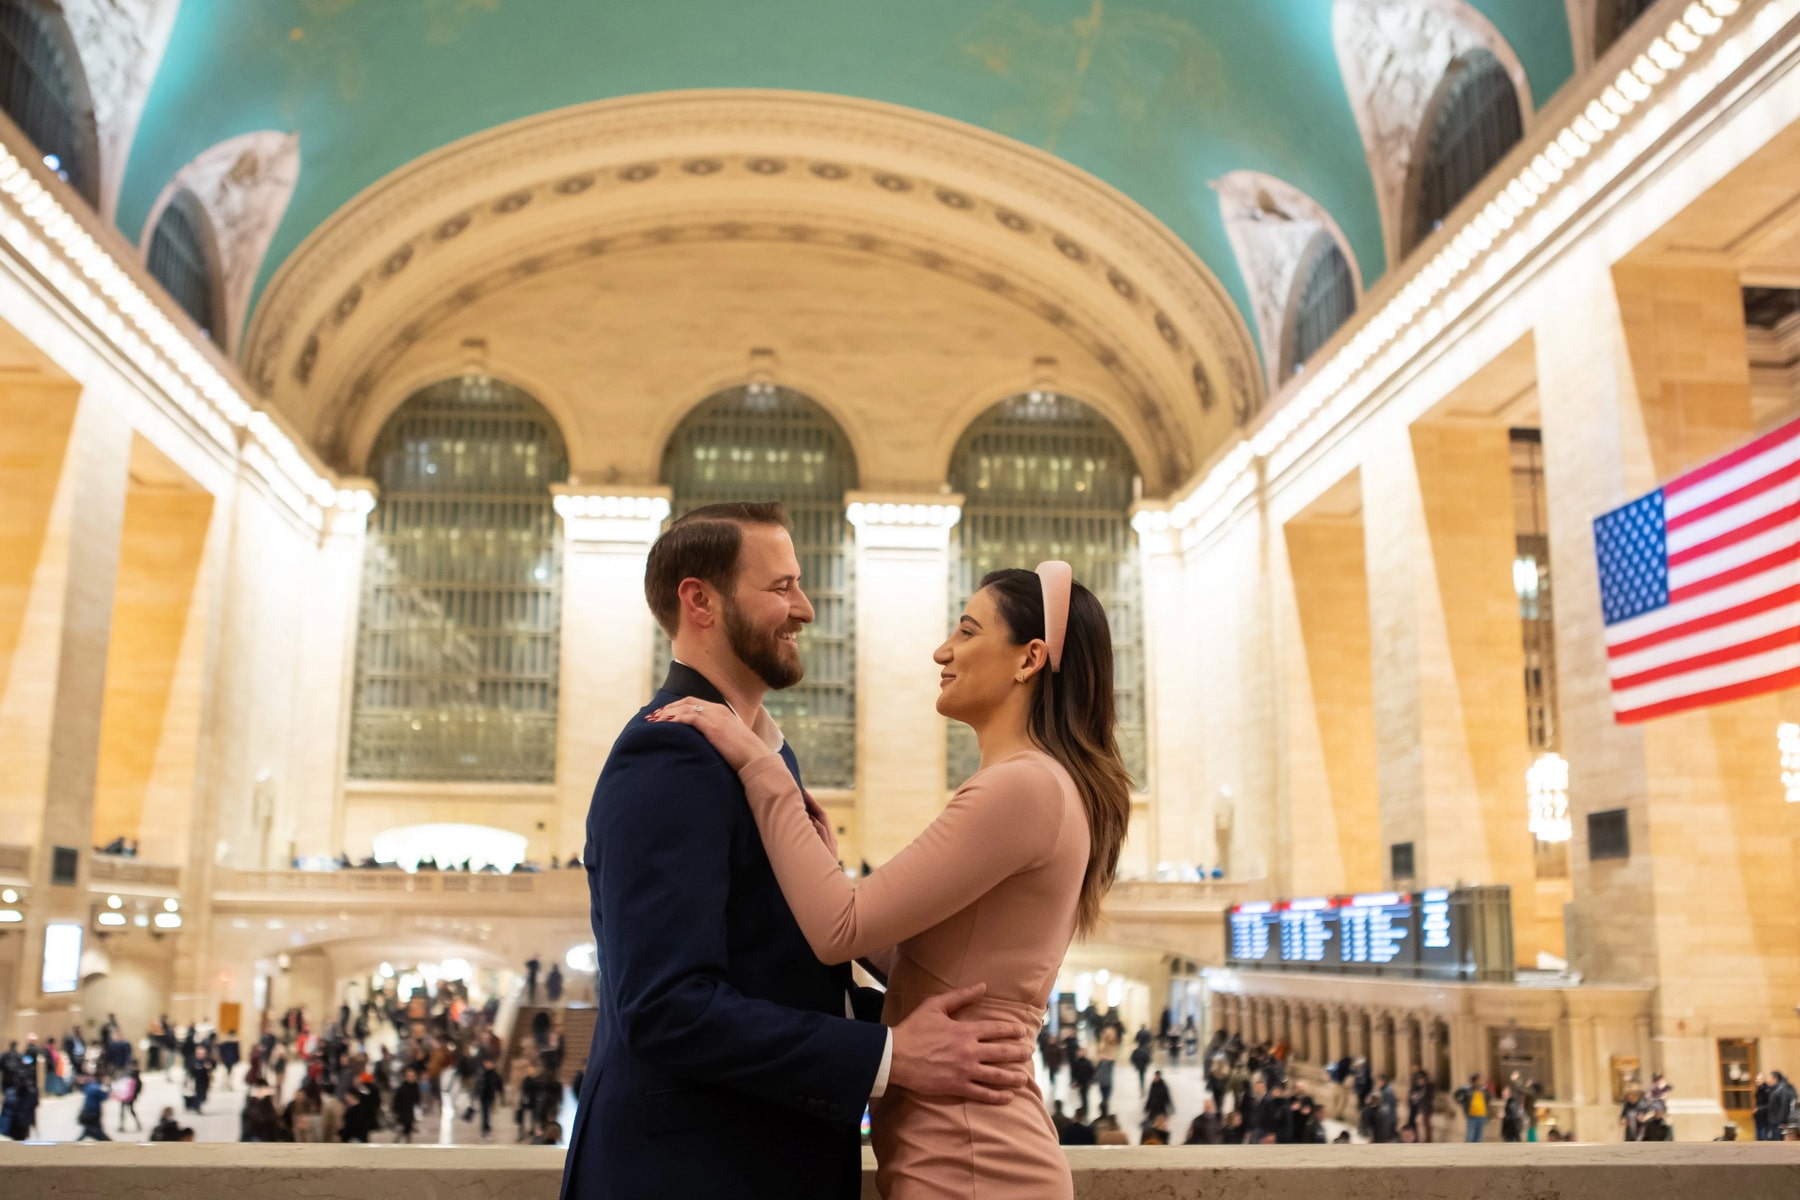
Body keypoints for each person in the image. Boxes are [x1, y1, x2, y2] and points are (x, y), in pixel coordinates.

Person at [572, 509, 1105, 1200]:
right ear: (699, 600)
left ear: (1031, 660)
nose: (806, 607)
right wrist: (888, 1051)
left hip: (873, 1157)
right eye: (783, 586)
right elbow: (663, 1005)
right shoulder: (670, 746)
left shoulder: (759, 751)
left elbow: (808, 950)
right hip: (694, 1172)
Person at [1455, 1073, 1490, 1142]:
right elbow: (1456, 1094)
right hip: (1472, 1116)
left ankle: (1477, 1152)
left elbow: (1489, 1098)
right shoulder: (1466, 1089)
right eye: (1478, 1080)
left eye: (1481, 1080)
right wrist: (1461, 1102)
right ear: (1474, 1081)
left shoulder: (1484, 1090)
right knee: (1470, 1136)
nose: (1480, 1082)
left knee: (1479, 1137)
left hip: (1482, 1115)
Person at [77, 1075, 111, 1140]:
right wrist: (107, 1087)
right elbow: (104, 1097)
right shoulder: (97, 1088)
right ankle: (110, 1144)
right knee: (97, 1132)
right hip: (93, 1113)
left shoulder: (89, 1087)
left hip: (88, 1111)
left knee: (88, 1131)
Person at [392, 1067, 421, 1143]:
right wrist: (396, 1112)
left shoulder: (416, 1087)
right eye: (409, 1076)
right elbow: (396, 1101)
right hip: (402, 1114)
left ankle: (408, 1146)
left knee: (408, 1133)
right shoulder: (401, 1088)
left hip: (411, 1114)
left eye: (412, 1076)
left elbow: (417, 1101)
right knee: (400, 1131)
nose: (411, 1078)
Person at [1407, 1066, 1434, 1143]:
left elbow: (1422, 1096)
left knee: (1427, 1124)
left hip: (1427, 1107)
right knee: (1424, 1123)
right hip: (1423, 1107)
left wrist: (1416, 1097)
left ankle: (1428, 1140)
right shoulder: (1422, 1087)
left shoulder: (1428, 1087)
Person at [115, 1064, 143, 1132]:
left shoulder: (129, 1078)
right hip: (131, 1098)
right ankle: (137, 1124)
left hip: (125, 1097)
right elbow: (138, 1091)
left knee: (124, 1111)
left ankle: (122, 1125)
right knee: (130, 1111)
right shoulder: (138, 1080)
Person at [1070, 1046, 1096, 1115]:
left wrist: (1091, 1080)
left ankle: (1085, 1111)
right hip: (1079, 1082)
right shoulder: (1076, 1062)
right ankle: (1083, 1110)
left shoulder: (1088, 1062)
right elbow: (1074, 1073)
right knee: (1082, 1097)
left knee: (1085, 1097)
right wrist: (1073, 1081)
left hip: (1086, 1082)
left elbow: (1092, 1072)